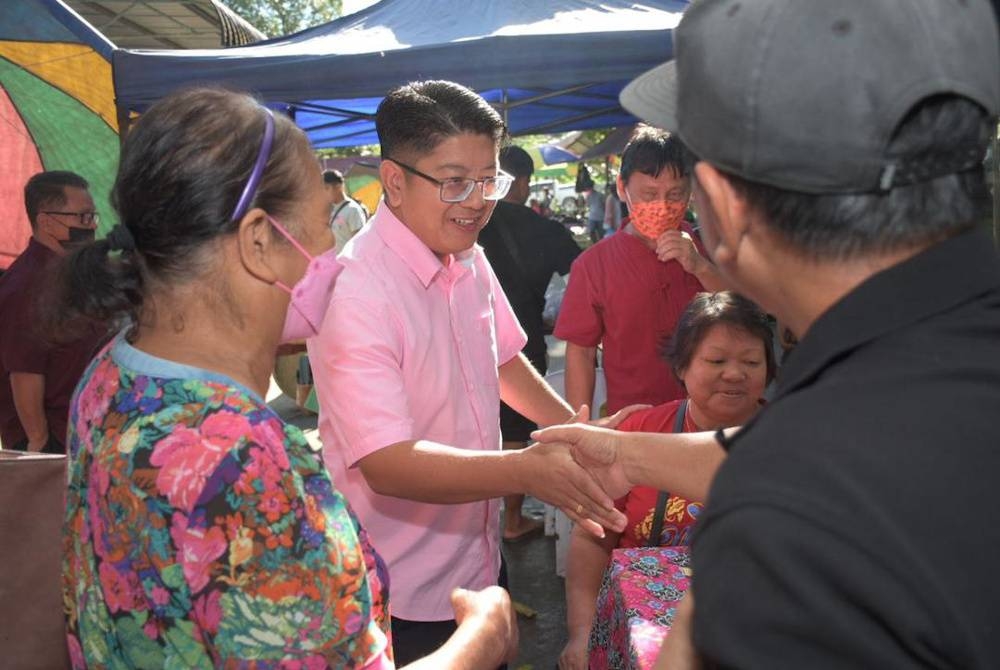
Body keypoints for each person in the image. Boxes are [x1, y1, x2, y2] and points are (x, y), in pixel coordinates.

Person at [538, 0, 1000, 666]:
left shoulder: (784, 527)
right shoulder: (922, 370)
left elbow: (809, 467)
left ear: (724, 207)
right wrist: (630, 454)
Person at [56, 87, 518, 669]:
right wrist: (482, 637)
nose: (330, 246)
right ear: (258, 241)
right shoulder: (239, 459)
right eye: (321, 220)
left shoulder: (112, 374)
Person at [308, 80, 629, 666]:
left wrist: (577, 431)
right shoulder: (354, 292)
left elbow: (501, 359)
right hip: (398, 587)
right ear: (394, 180)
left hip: (478, 557)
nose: (478, 201)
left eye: (488, 181)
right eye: (455, 182)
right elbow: (386, 462)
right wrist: (525, 470)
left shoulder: (467, 255)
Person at [559, 291, 774, 670]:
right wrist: (582, 631)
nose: (735, 373)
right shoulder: (639, 433)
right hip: (642, 632)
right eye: (717, 360)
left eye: (751, 362)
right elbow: (592, 538)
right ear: (682, 367)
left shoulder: (795, 440)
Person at [555, 127, 726, 419]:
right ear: (622, 188)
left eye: (675, 194)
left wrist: (700, 266)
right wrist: (580, 425)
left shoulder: (709, 245)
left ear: (690, 192)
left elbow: (748, 315)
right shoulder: (593, 264)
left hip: (711, 417)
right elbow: (581, 352)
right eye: (649, 194)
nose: (662, 206)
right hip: (635, 422)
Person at [478, 145, 583, 542]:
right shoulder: (543, 229)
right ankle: (512, 519)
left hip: (472, 335)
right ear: (521, 182)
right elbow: (580, 276)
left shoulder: (469, 223)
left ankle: (487, 518)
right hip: (524, 337)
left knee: (482, 423)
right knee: (517, 429)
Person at [0, 171, 105, 453]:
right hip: (53, 438)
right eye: (82, 217)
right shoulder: (27, 286)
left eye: (92, 217)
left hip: (82, 426)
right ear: (46, 222)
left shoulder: (70, 271)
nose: (91, 226)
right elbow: (24, 371)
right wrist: (39, 441)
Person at [324, 168, 367, 253]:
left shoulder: (352, 210)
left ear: (338, 186)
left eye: (327, 188)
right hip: (332, 260)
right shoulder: (328, 210)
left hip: (347, 260)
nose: (324, 193)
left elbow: (360, 242)